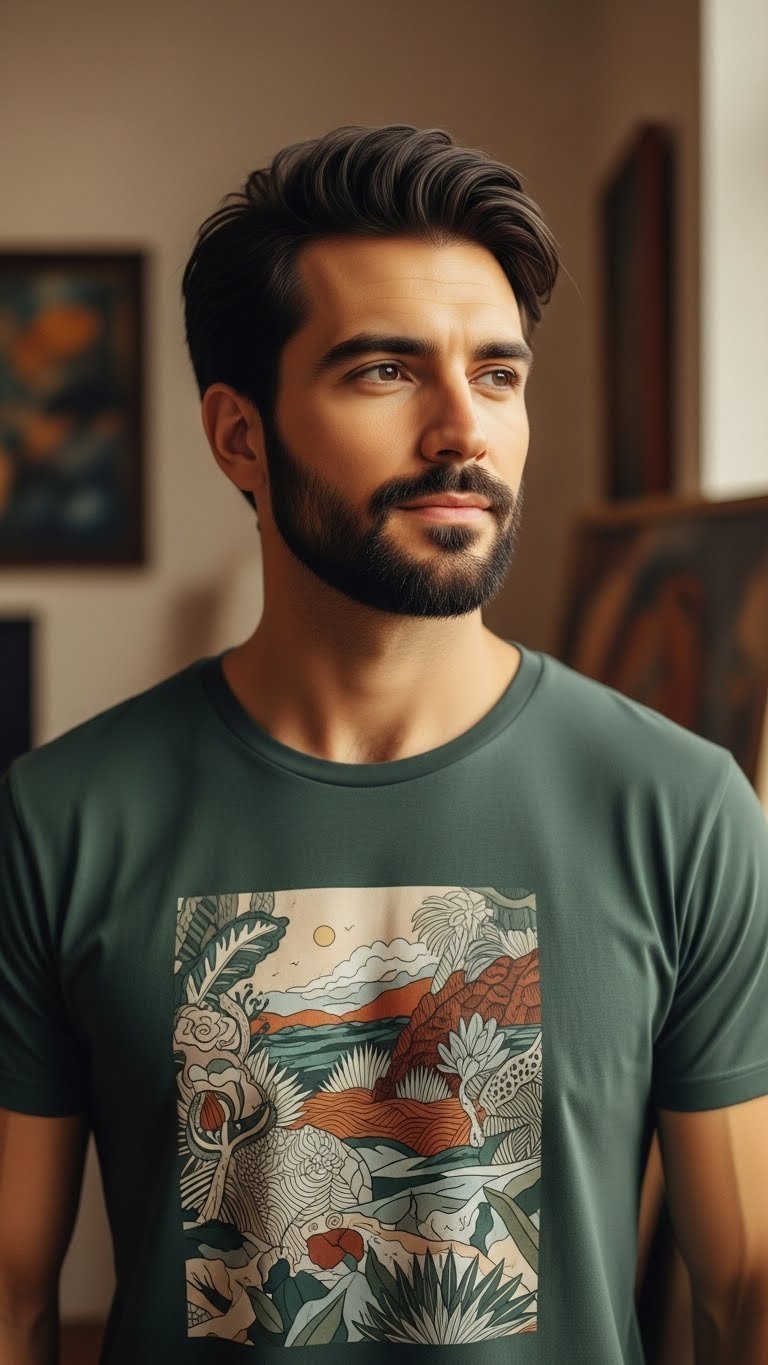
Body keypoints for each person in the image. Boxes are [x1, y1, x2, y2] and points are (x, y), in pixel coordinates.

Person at [0, 123, 766, 1365]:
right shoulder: (63, 819)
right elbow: (11, 1297)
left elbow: (748, 1286)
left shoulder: (680, 809)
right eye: (384, 370)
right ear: (240, 436)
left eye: (498, 374)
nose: (463, 428)